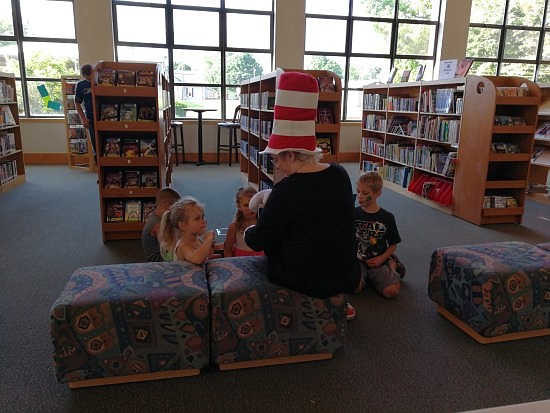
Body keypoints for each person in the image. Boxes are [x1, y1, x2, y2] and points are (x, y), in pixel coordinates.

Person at [243, 71, 361, 317]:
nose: (278, 167)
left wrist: (251, 225)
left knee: (273, 240)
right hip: (345, 273)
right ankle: (339, 301)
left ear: (291, 154)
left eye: (277, 160)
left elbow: (257, 242)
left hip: (305, 277)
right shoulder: (340, 173)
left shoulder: (287, 190)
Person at [355, 171, 406, 299]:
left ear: (377, 194)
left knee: (391, 292)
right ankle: (368, 276)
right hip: (358, 260)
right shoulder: (353, 213)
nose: (360, 196)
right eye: (358, 191)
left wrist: (382, 258)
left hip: (378, 259)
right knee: (354, 289)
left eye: (365, 193)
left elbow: (393, 244)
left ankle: (393, 265)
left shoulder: (387, 218)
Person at [159, 196, 219, 265]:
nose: (203, 221)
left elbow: (204, 257)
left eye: (202, 217)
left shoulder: (198, 240)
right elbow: (197, 259)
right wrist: (208, 239)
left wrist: (211, 247)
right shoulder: (183, 246)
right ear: (182, 225)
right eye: (197, 218)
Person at [141, 187, 181, 262]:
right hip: (159, 261)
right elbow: (170, 248)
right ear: (169, 205)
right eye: (177, 207)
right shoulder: (158, 224)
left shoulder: (155, 215)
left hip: (164, 255)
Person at [224, 185, 264, 257]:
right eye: (246, 205)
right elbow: (227, 251)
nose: (251, 208)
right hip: (240, 262)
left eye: (254, 204)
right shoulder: (234, 227)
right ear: (239, 206)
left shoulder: (263, 224)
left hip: (260, 260)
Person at [74, 64, 96, 162]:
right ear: (84, 75)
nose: (90, 78)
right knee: (96, 146)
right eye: (88, 77)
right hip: (91, 119)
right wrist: (83, 119)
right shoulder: (81, 85)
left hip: (105, 118)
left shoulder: (100, 81)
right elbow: (77, 103)